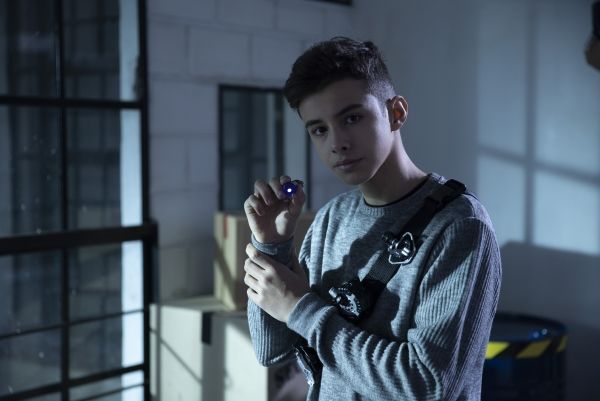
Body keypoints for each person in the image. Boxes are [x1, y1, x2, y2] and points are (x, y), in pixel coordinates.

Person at [242, 37, 502, 401]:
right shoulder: (330, 219)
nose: (337, 143)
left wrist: (302, 309)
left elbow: (428, 385)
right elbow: (272, 350)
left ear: (396, 112)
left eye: (352, 118)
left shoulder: (460, 226)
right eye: (319, 129)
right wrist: (272, 247)